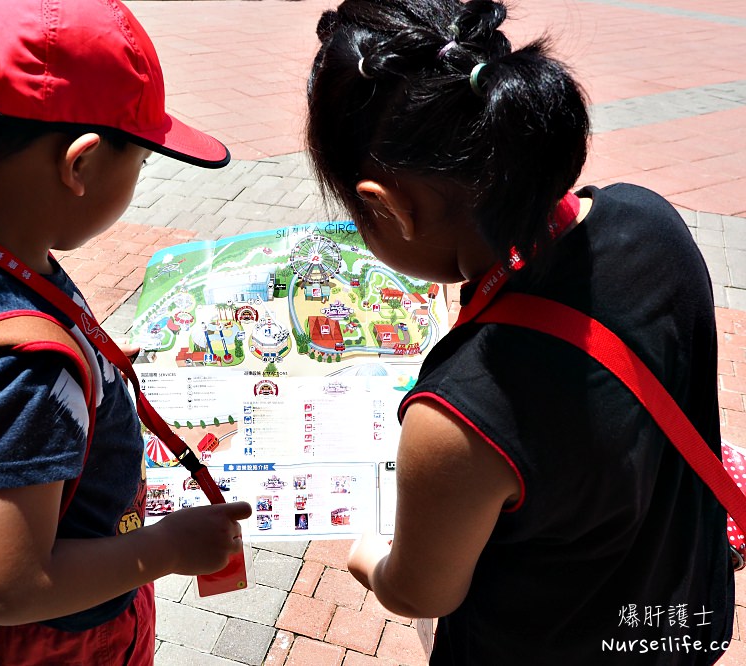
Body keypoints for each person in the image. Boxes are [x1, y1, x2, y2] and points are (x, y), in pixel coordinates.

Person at [305, 0, 732, 663]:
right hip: (673, 618)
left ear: (385, 206)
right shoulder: (649, 221)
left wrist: (368, 557)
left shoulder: (456, 421)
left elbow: (422, 592)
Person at [0, 0, 251, 663]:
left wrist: (92, 367)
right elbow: (8, 586)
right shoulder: (26, 370)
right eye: (143, 161)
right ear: (81, 165)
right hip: (65, 639)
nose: (141, 179)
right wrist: (168, 549)